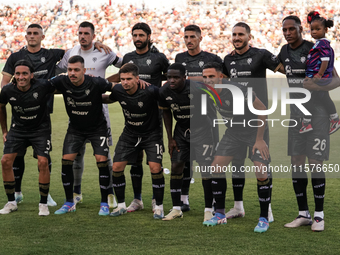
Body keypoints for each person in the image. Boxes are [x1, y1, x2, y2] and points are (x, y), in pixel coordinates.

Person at [1, 23, 109, 206]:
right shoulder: (15, 57)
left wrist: (94, 42)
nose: (32, 36)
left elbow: (78, 49)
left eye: (36, 33)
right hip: (20, 113)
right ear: (25, 36)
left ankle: (46, 195)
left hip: (43, 113)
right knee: (15, 155)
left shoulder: (53, 54)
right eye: (29, 33)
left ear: (42, 36)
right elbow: (5, 84)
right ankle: (17, 192)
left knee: (43, 157)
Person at [278, 15, 339, 232]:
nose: (287, 33)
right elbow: (276, 67)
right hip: (296, 115)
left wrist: (318, 87)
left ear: (300, 29)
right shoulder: (284, 52)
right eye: (284, 30)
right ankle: (303, 213)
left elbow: (336, 80)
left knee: (315, 162)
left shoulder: (314, 48)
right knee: (296, 161)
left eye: (291, 29)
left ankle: (319, 216)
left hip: (318, 115)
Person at [57, 21, 122, 209]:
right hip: (77, 108)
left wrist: (105, 81)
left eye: (86, 33)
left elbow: (125, 66)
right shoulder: (71, 52)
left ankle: (109, 193)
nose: (82, 36)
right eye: (80, 33)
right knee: (76, 153)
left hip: (100, 110)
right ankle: (76, 192)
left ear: (94, 35)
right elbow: (61, 70)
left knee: (104, 155)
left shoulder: (105, 52)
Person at [222, 22, 283, 221]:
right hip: (236, 121)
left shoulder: (261, 55)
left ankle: (268, 208)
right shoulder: (227, 60)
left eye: (241, 34)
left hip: (258, 119)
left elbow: (284, 69)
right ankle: (238, 207)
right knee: (237, 163)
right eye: (234, 34)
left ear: (249, 36)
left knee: (260, 166)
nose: (237, 37)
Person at [201, 62, 271, 233]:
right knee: (216, 168)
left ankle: (264, 218)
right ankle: (219, 215)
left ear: (221, 77)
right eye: (205, 77)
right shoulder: (205, 91)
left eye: (212, 76)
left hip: (254, 131)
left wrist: (260, 139)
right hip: (233, 132)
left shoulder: (238, 90)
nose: (208, 80)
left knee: (261, 172)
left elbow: (262, 110)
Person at [107, 22, 169, 213]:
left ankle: (155, 201)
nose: (137, 39)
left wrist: (151, 88)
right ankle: (137, 199)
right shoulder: (128, 57)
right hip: (132, 118)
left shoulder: (159, 57)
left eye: (141, 35)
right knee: (135, 161)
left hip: (152, 115)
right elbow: (120, 78)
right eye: (135, 35)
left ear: (149, 36)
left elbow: (169, 79)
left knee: (153, 164)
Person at [52, 55, 114, 216]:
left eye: (76, 70)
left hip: (97, 129)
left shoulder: (96, 82)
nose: (72, 73)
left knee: (102, 161)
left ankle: (104, 203)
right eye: (70, 70)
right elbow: (42, 85)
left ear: (84, 71)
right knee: (66, 160)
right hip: (75, 129)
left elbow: (116, 88)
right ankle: (68, 202)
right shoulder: (61, 81)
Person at [103, 63, 165, 219]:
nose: (125, 82)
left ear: (138, 79)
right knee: (116, 167)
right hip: (130, 133)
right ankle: (121, 205)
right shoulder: (118, 90)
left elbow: (167, 100)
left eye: (129, 79)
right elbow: (108, 98)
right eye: (122, 79)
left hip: (151, 134)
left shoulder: (150, 91)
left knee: (155, 168)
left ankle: (159, 206)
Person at [174, 24, 222, 212]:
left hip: (208, 117)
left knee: (209, 162)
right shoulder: (179, 58)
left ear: (200, 38)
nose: (189, 40)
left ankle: (212, 203)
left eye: (192, 37)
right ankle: (184, 200)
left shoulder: (212, 59)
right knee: (185, 161)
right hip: (186, 116)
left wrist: (189, 80)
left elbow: (219, 80)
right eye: (186, 37)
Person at [158, 63, 214, 222]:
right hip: (180, 132)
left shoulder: (197, 89)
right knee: (176, 167)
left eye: (176, 77)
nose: (172, 80)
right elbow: (166, 113)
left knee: (206, 170)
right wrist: (170, 138)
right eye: (169, 77)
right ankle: (176, 208)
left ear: (184, 77)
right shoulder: (164, 91)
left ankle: (209, 209)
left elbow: (209, 112)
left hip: (202, 130)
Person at [0, 60, 55, 216]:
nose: (21, 77)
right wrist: (5, 130)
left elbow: (63, 85)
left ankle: (43, 204)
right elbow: (1, 106)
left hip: (40, 130)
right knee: (5, 161)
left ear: (31, 75)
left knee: (43, 161)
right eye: (18, 73)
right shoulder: (7, 90)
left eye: (24, 73)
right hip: (18, 130)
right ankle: (11, 202)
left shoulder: (43, 85)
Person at [299, 11, 340, 135]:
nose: (314, 32)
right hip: (321, 77)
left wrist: (319, 75)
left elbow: (325, 60)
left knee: (309, 98)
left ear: (326, 30)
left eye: (318, 29)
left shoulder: (322, 43)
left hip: (321, 78)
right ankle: (334, 118)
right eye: (312, 29)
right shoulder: (319, 43)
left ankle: (306, 122)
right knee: (323, 97)